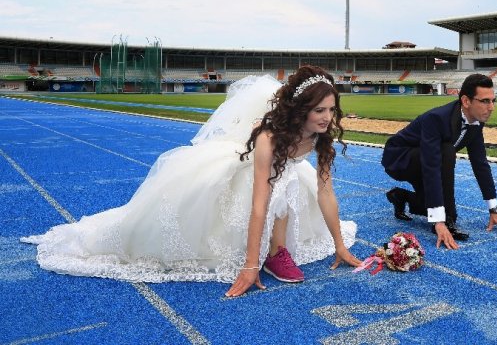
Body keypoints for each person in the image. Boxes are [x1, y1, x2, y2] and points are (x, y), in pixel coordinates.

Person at [22, 66, 360, 297]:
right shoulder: (269, 138)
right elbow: (260, 202)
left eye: (331, 110)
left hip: (281, 176)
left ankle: (278, 250)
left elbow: (325, 192)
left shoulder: (321, 136)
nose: (327, 118)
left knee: (294, 184)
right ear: (300, 109)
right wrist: (249, 265)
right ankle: (270, 253)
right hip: (250, 175)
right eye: (319, 110)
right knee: (274, 191)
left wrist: (339, 245)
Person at [381, 73, 497, 250]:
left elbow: (480, 164)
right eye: (484, 101)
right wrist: (440, 221)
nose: (491, 107)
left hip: (426, 159)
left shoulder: (476, 123)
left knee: (429, 200)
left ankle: (400, 196)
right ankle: (448, 217)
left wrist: (494, 210)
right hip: (399, 158)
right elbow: (431, 166)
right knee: (446, 152)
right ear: (466, 101)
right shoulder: (436, 119)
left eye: (493, 101)